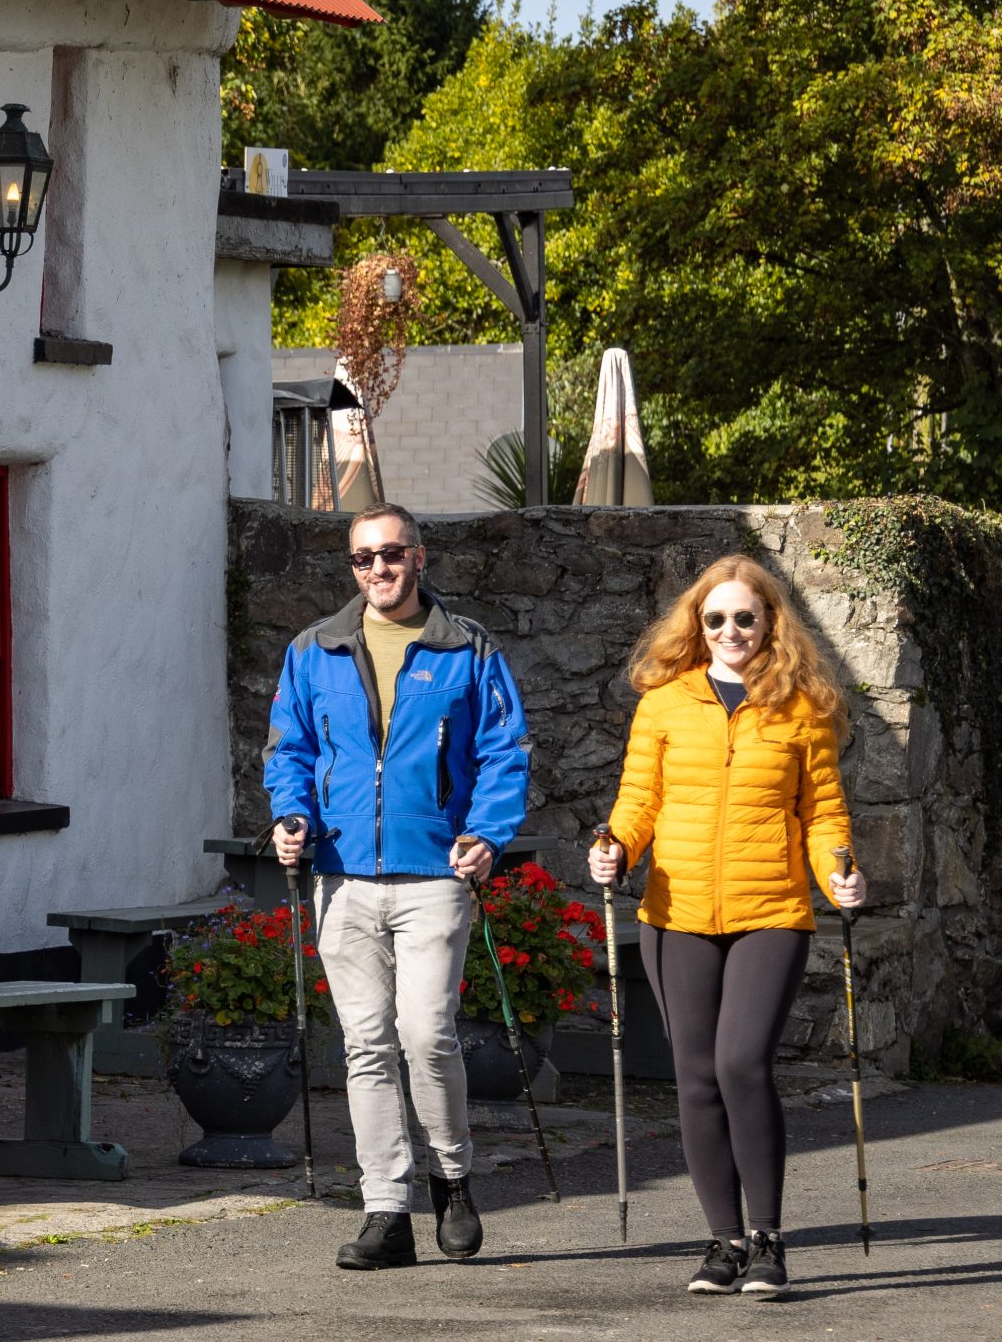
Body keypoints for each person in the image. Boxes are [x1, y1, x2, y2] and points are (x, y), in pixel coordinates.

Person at [264, 503, 531, 1270]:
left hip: (435, 872)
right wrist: (291, 816)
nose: (376, 569)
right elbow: (290, 749)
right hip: (343, 874)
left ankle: (451, 1177)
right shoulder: (314, 649)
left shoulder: (466, 646)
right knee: (366, 1045)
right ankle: (386, 1209)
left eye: (389, 554)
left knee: (425, 1033)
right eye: (361, 558)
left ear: (420, 556)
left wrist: (485, 833)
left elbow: (504, 752)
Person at [591, 556, 864, 1299]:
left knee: (742, 1062)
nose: (731, 630)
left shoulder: (802, 705)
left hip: (771, 908)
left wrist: (839, 868)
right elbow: (638, 799)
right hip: (675, 915)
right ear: (697, 624)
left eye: (745, 616)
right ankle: (723, 1241)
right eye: (716, 618)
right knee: (696, 1076)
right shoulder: (665, 702)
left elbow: (823, 812)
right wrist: (614, 846)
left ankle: (769, 1241)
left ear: (770, 621)